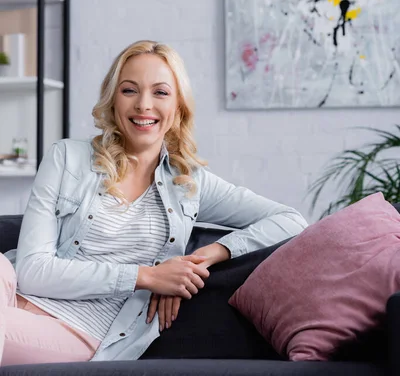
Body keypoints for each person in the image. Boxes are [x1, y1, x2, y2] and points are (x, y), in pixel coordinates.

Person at [0, 40, 308, 365]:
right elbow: (33, 271)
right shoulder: (66, 157)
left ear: (178, 108)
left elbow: (290, 219)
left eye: (160, 92)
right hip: (12, 293)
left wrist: (204, 256)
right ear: (113, 99)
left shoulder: (189, 183)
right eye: (129, 90)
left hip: (81, 329)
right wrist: (146, 276)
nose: (143, 105)